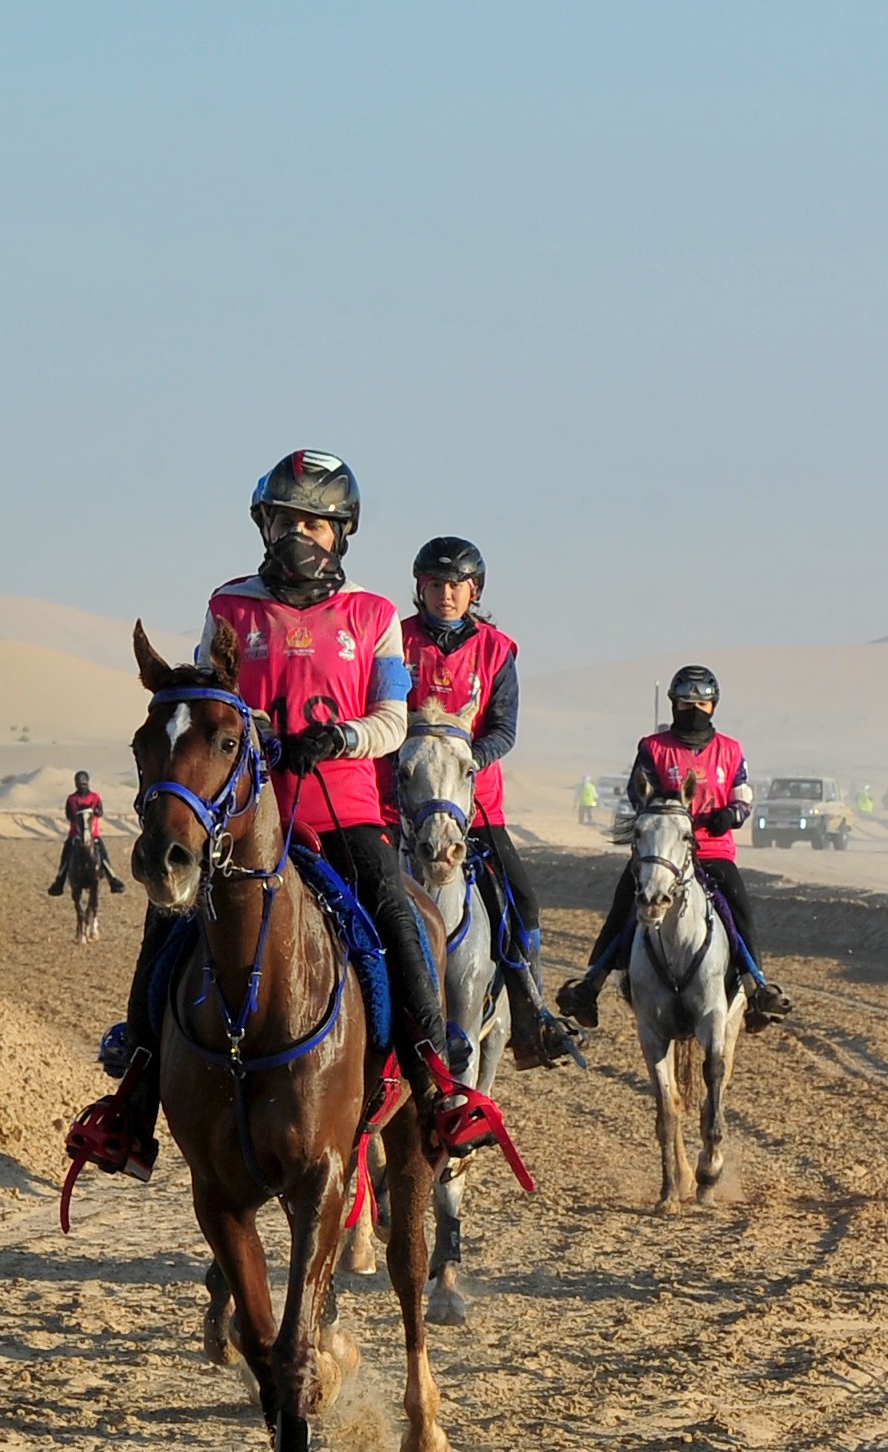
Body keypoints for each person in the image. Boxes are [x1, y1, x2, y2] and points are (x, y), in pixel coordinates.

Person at [64, 450, 513, 1182]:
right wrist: (243, 733)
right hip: (243, 813)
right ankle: (135, 1102)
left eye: (316, 522)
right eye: (286, 519)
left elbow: (394, 720)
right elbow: (206, 700)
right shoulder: (227, 606)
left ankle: (435, 1085)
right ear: (263, 523)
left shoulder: (373, 618)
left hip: (343, 805)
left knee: (396, 920)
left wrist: (343, 736)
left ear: (342, 532)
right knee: (168, 927)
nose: (299, 534)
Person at [390, 535, 577, 1068]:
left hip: (476, 805)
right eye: (434, 584)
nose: (445, 594)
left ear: (474, 590)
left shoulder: (498, 650)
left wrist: (466, 755)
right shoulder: (394, 642)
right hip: (401, 801)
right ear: (419, 588)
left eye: (456, 585)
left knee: (521, 901)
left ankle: (532, 1014)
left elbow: (504, 729)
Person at [554, 666, 796, 1029]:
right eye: (685, 702)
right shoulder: (652, 747)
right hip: (662, 853)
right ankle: (591, 984)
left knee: (739, 910)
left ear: (714, 706)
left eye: (702, 702)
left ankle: (756, 987)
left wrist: (731, 814)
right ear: (673, 705)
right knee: (623, 907)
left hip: (712, 849)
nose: (694, 709)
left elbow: (742, 794)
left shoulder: (730, 750)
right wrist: (668, 811)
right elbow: (639, 792)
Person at [46, 770, 124, 896]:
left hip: (94, 835)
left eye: (83, 784)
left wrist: (93, 810)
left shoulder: (95, 797)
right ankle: (59, 881)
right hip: (75, 835)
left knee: (103, 855)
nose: (81, 787)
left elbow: (100, 812)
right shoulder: (71, 799)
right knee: (65, 856)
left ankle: (112, 879)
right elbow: (70, 815)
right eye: (79, 784)